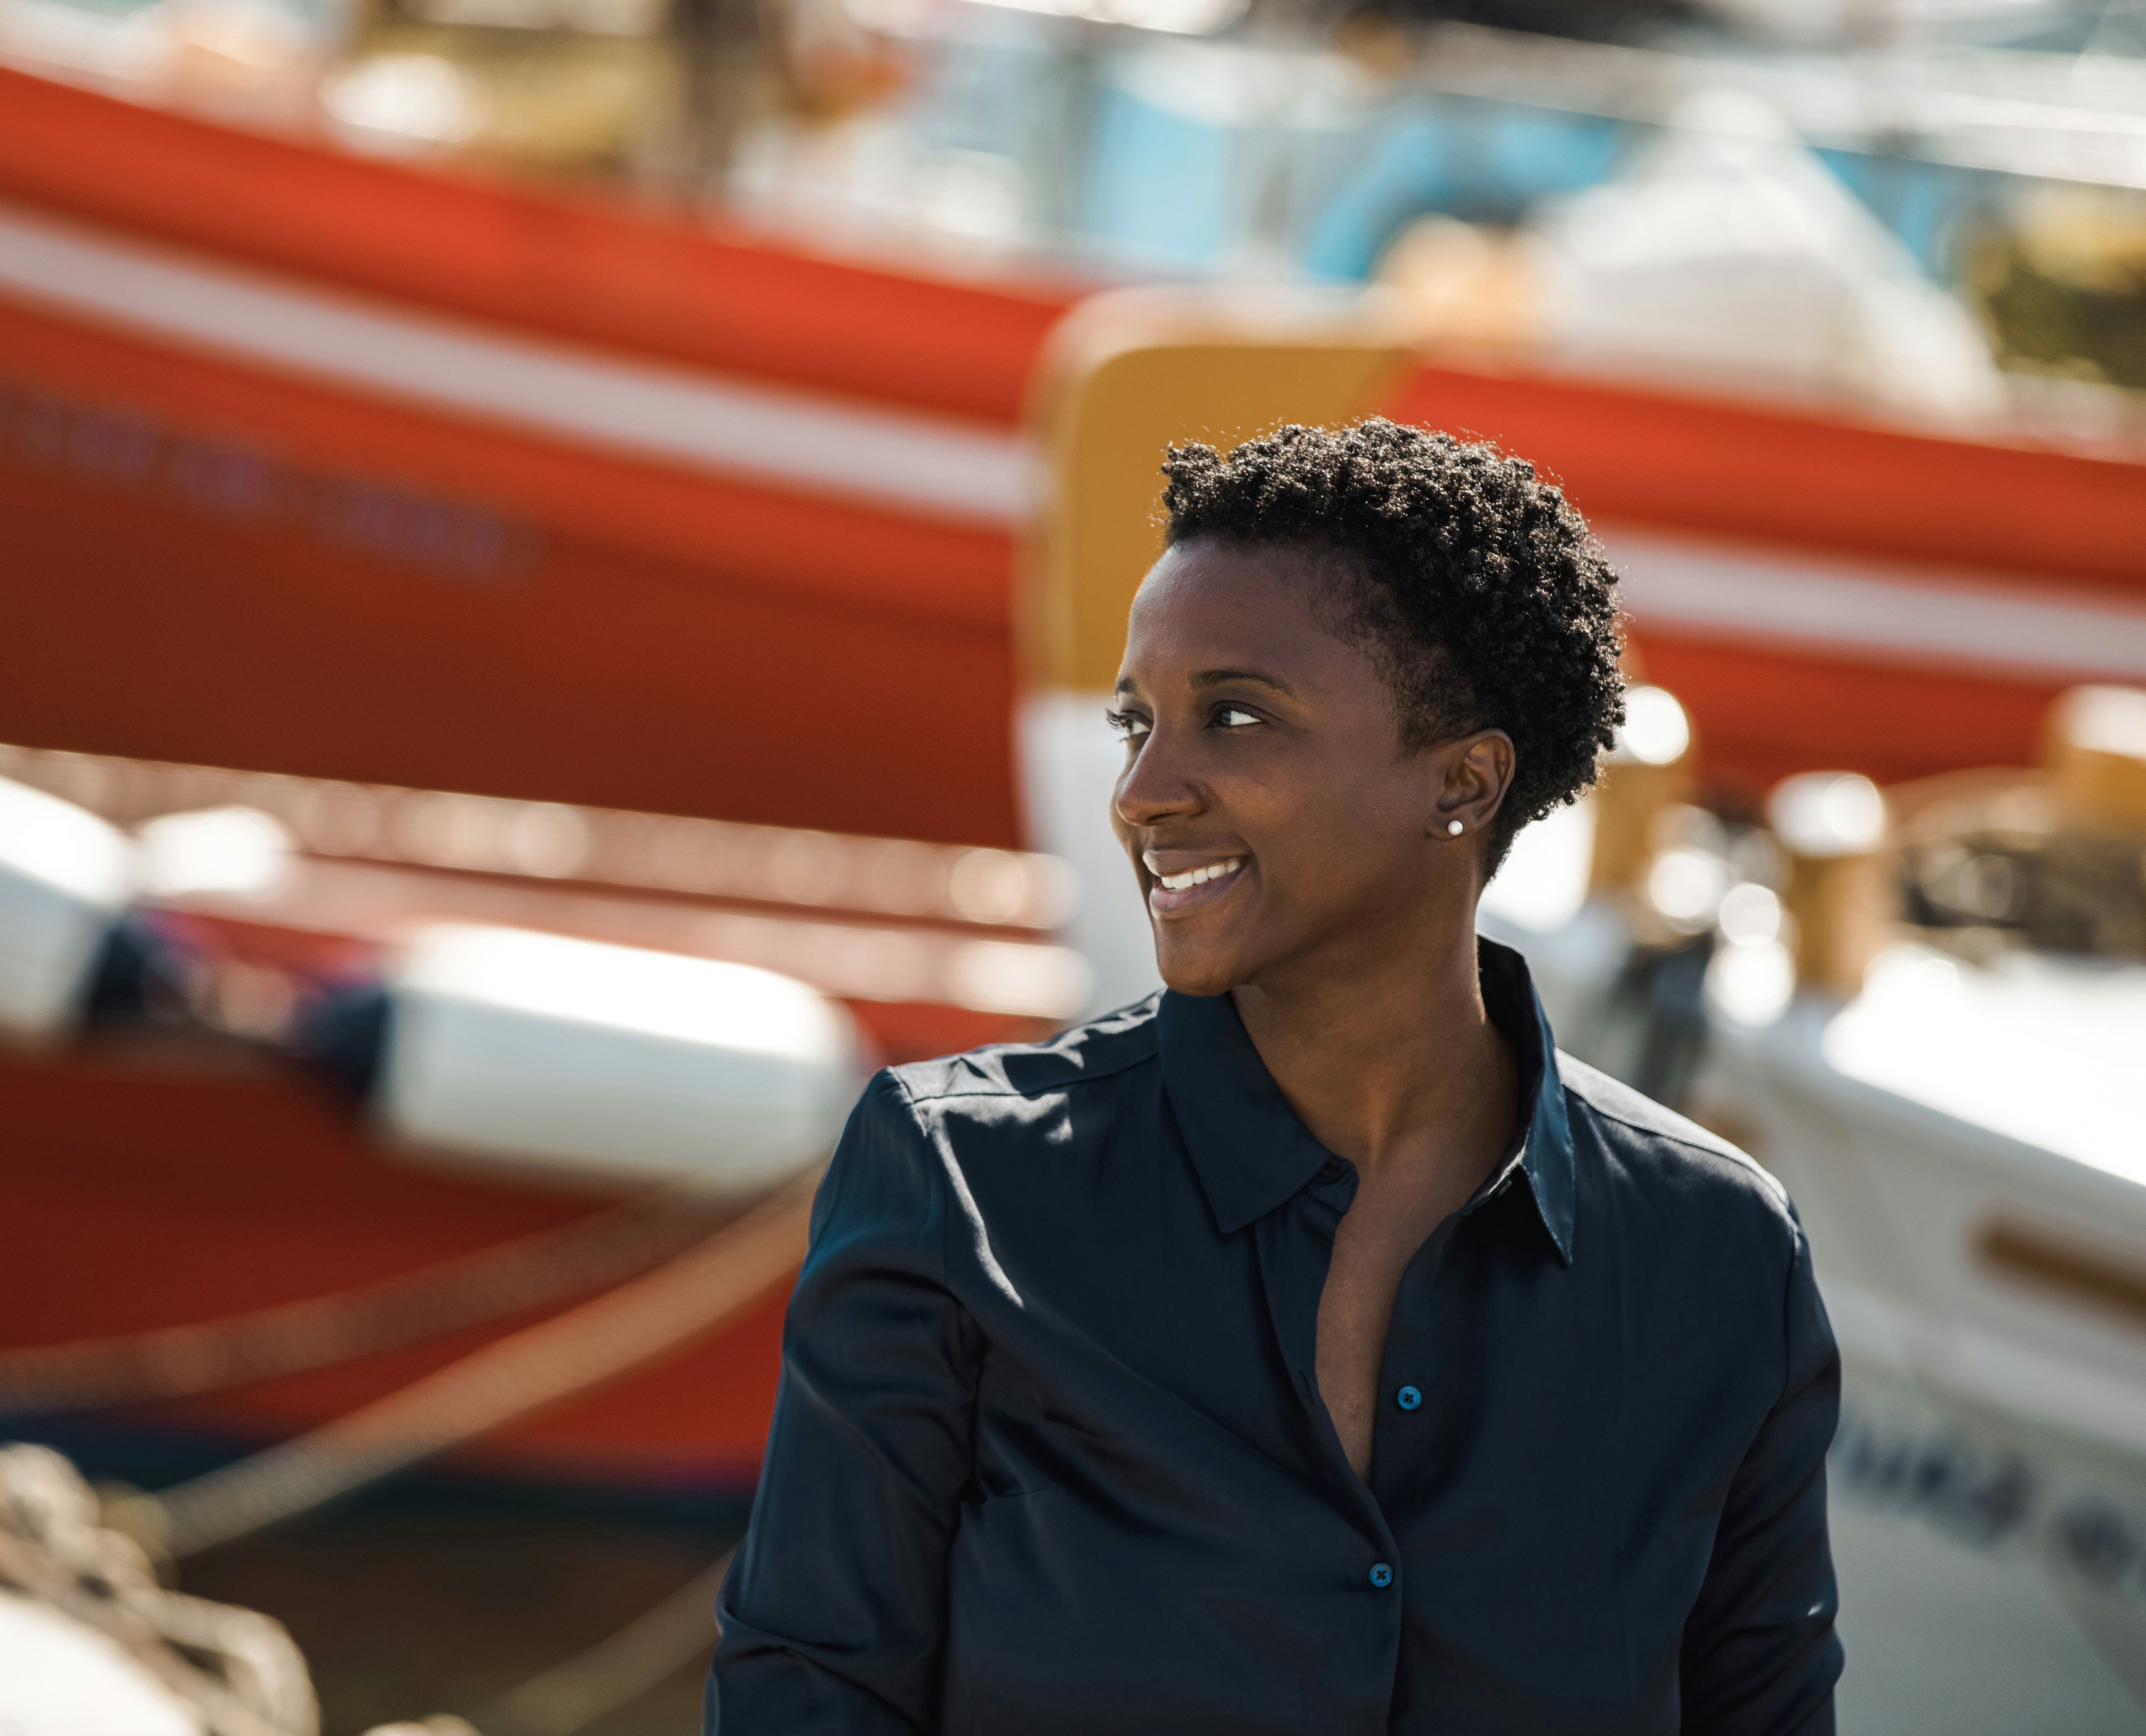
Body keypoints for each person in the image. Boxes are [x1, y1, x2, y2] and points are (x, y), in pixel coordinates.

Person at [706, 420, 1841, 1734]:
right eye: (1137, 723)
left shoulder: (1719, 1256)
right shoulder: (958, 1183)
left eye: (1234, 716)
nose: (1142, 792)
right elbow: (805, 1699)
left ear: (1464, 784)